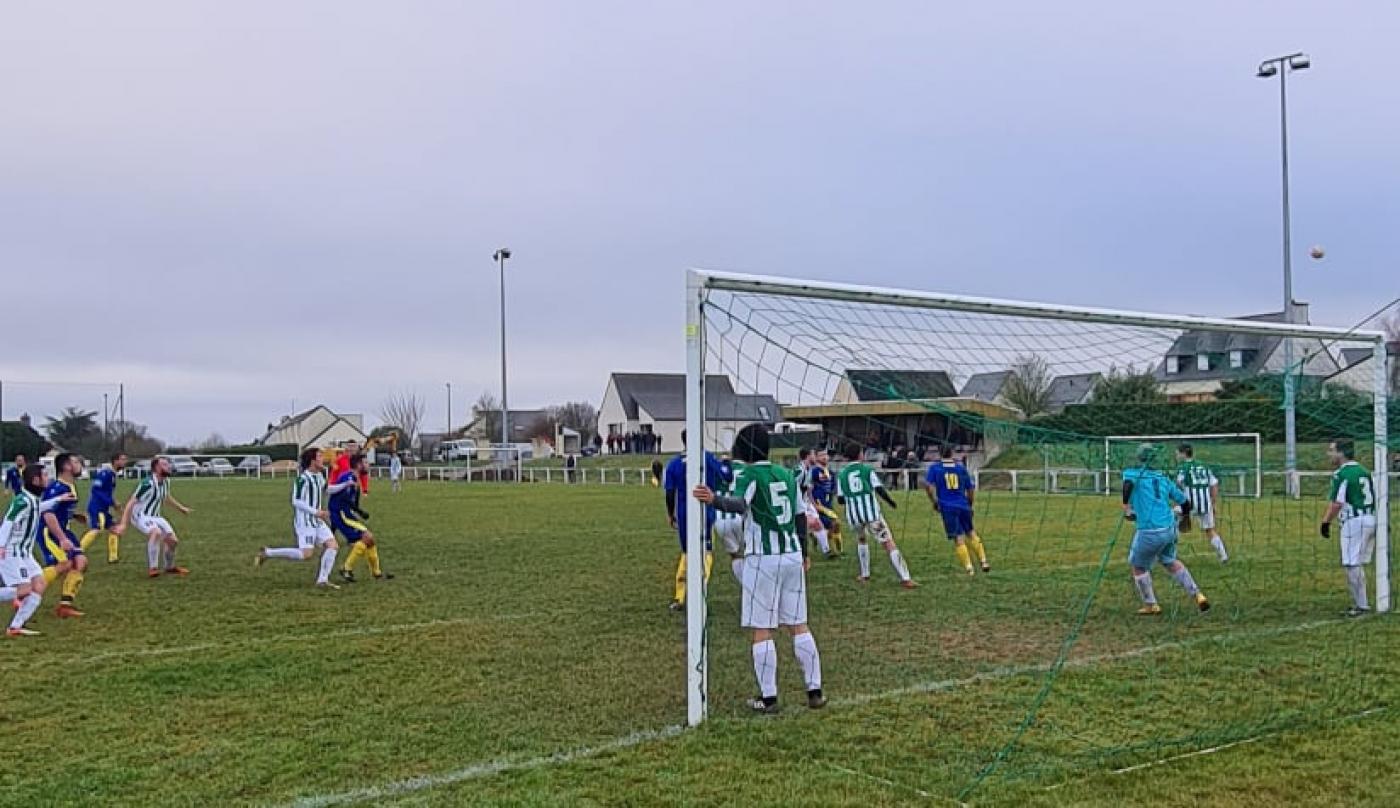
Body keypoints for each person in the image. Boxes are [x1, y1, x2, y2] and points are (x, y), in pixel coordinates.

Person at [694, 423, 824, 713]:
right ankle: (814, 690)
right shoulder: (787, 474)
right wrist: (804, 552)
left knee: (762, 629)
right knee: (798, 624)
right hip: (791, 555)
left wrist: (713, 500)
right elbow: (801, 517)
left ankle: (768, 698)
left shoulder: (750, 474)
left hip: (763, 558)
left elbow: (740, 504)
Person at [1122, 443, 1210, 616]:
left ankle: (1151, 604)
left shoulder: (1133, 474)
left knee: (1138, 566)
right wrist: (1185, 518)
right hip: (1169, 528)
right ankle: (1198, 595)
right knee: (1169, 560)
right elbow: (1185, 502)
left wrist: (1126, 507)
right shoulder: (1163, 478)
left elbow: (1127, 485)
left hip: (1150, 530)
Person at [255, 447, 353, 589]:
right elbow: (296, 500)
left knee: (333, 546)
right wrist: (315, 512)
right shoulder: (303, 479)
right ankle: (268, 552)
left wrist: (345, 485)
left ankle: (322, 581)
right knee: (306, 554)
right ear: (312, 461)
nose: (323, 459)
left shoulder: (320, 476)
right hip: (305, 522)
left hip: (316, 521)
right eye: (320, 456)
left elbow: (327, 489)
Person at [661, 430, 730, 610]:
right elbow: (726, 476)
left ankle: (680, 596)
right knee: (705, 551)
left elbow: (669, 492)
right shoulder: (707, 458)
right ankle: (700, 592)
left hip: (684, 513)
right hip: (704, 510)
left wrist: (671, 514)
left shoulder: (674, 463)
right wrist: (726, 462)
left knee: (687, 552)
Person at [0, 464, 69, 636]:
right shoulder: (22, 501)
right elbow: (8, 522)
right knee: (24, 590)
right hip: (11, 552)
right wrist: (1, 546)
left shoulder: (32, 499)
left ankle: (15, 627)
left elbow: (38, 507)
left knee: (39, 584)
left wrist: (58, 500)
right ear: (36, 480)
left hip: (25, 554)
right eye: (45, 476)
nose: (48, 479)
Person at [838, 445, 916, 588]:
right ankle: (906, 578)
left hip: (854, 516)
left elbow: (840, 500)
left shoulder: (842, 475)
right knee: (888, 543)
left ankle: (865, 574)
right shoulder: (867, 470)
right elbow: (879, 489)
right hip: (871, 515)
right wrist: (891, 502)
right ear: (860, 455)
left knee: (861, 540)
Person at [1320, 438, 1378, 618]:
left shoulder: (1341, 474)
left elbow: (1337, 502)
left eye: (1332, 450)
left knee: (1351, 564)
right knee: (1357, 563)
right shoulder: (1364, 471)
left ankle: (1362, 606)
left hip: (1354, 521)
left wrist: (1325, 522)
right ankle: (1363, 603)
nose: (1329, 454)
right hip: (1371, 518)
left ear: (1341, 453)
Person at [117, 456, 193, 578]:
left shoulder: (166, 481)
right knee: (155, 532)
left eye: (168, 464)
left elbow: (166, 497)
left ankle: (169, 567)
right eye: (165, 465)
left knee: (173, 542)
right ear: (157, 468)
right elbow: (131, 502)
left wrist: (181, 508)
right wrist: (124, 524)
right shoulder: (147, 484)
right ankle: (153, 568)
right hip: (141, 515)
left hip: (155, 516)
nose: (168, 467)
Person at [924, 446, 990, 575]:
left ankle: (969, 568)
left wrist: (934, 501)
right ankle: (984, 561)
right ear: (952, 453)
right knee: (971, 532)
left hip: (948, 507)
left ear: (940, 454)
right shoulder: (960, 468)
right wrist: (969, 504)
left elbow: (928, 485)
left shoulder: (935, 468)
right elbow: (970, 489)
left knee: (958, 538)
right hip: (963, 505)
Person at [37, 453, 89, 617]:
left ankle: (64, 605)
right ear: (66, 466)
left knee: (80, 562)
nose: (79, 464)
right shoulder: (57, 488)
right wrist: (62, 539)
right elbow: (48, 514)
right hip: (50, 531)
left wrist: (74, 515)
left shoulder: (68, 486)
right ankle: (25, 593)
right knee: (65, 564)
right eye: (75, 462)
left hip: (64, 530)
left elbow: (60, 509)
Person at [334, 453, 393, 583]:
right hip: (341, 514)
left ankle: (376, 573)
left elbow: (352, 502)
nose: (368, 465)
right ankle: (346, 568)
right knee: (367, 537)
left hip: (347, 514)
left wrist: (360, 512)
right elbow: (341, 498)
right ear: (358, 465)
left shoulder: (355, 478)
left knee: (369, 540)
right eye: (365, 463)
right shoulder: (347, 477)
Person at [1175, 443, 1229, 564]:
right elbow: (1214, 484)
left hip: (1189, 504)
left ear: (1183, 454)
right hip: (1205, 504)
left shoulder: (1183, 468)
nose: (1177, 456)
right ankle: (1223, 555)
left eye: (1178, 453)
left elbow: (1178, 485)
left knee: (1172, 524)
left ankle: (1169, 554)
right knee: (1210, 530)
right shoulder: (1204, 466)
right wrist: (1213, 503)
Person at [81, 452, 127, 563]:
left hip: (103, 509)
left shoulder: (112, 474)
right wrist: (112, 502)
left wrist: (113, 503)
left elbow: (106, 492)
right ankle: (76, 552)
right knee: (96, 530)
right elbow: (96, 490)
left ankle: (113, 557)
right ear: (115, 461)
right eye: (123, 459)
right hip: (96, 507)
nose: (125, 462)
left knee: (114, 528)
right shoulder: (105, 473)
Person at [796, 449, 832, 557]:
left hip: (806, 502)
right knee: (809, 525)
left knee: (818, 524)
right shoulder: (799, 470)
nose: (814, 457)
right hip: (798, 503)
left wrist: (813, 504)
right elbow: (792, 485)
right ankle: (802, 554)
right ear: (808, 456)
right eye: (813, 454)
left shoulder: (808, 470)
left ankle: (826, 551)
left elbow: (808, 489)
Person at [810, 449, 843, 558]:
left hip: (828, 503)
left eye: (826, 455)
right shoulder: (814, 471)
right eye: (821, 455)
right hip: (819, 503)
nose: (824, 457)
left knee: (830, 526)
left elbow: (832, 486)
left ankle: (816, 536)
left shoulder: (831, 471)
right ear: (817, 457)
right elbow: (810, 485)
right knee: (835, 522)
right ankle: (834, 550)